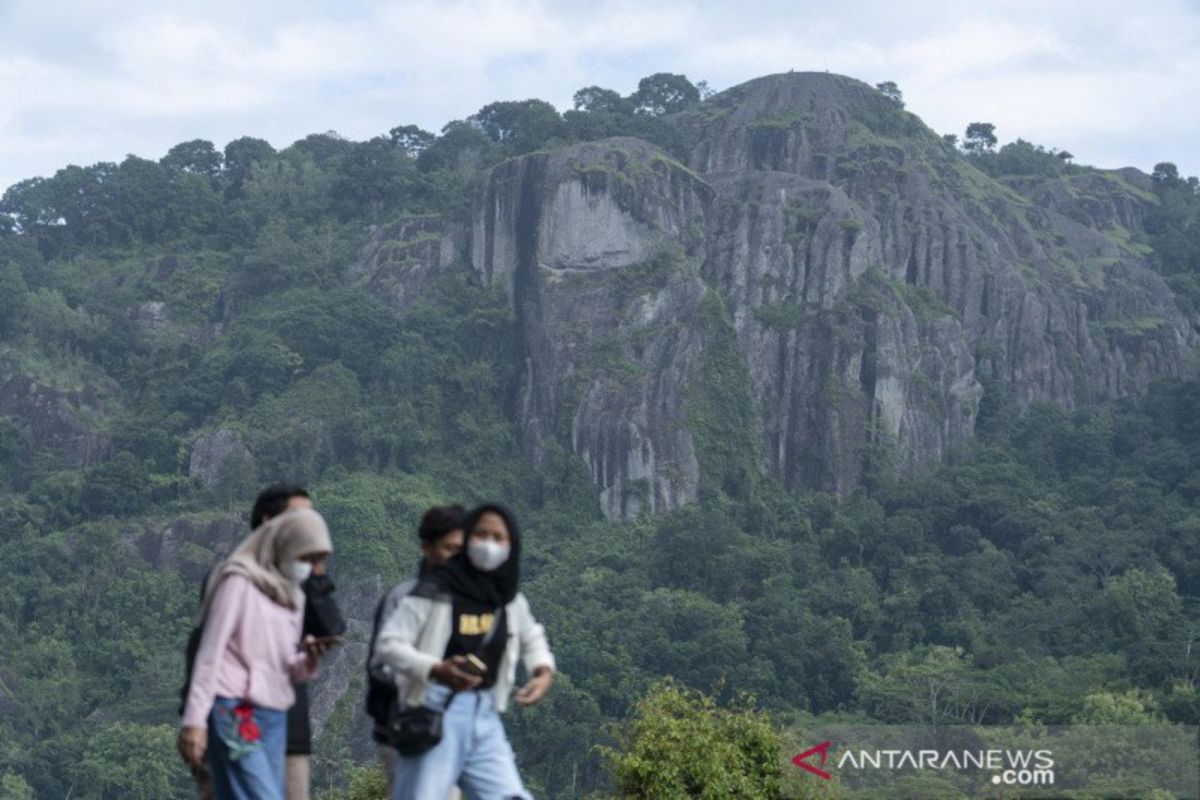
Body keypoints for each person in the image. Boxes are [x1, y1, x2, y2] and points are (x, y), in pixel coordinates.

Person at [374, 502, 555, 800]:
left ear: (512, 545)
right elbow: (388, 645)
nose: (489, 544)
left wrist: (542, 670)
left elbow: (531, 634)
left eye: (499, 538)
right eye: (481, 534)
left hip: (484, 712)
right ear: (468, 537)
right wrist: (435, 668)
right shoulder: (434, 590)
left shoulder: (506, 597)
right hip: (434, 708)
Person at [180, 485, 345, 800]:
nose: (308, 566)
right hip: (235, 709)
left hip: (274, 713)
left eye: (316, 559)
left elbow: (283, 664)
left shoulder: (291, 592)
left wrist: (308, 659)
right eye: (305, 556)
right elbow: (209, 653)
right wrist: (194, 720)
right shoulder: (238, 582)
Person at [367, 505, 466, 794]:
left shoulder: (469, 602)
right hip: (403, 731)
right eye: (450, 549)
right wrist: (434, 673)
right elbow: (380, 665)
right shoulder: (403, 597)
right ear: (426, 548)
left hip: (452, 730)